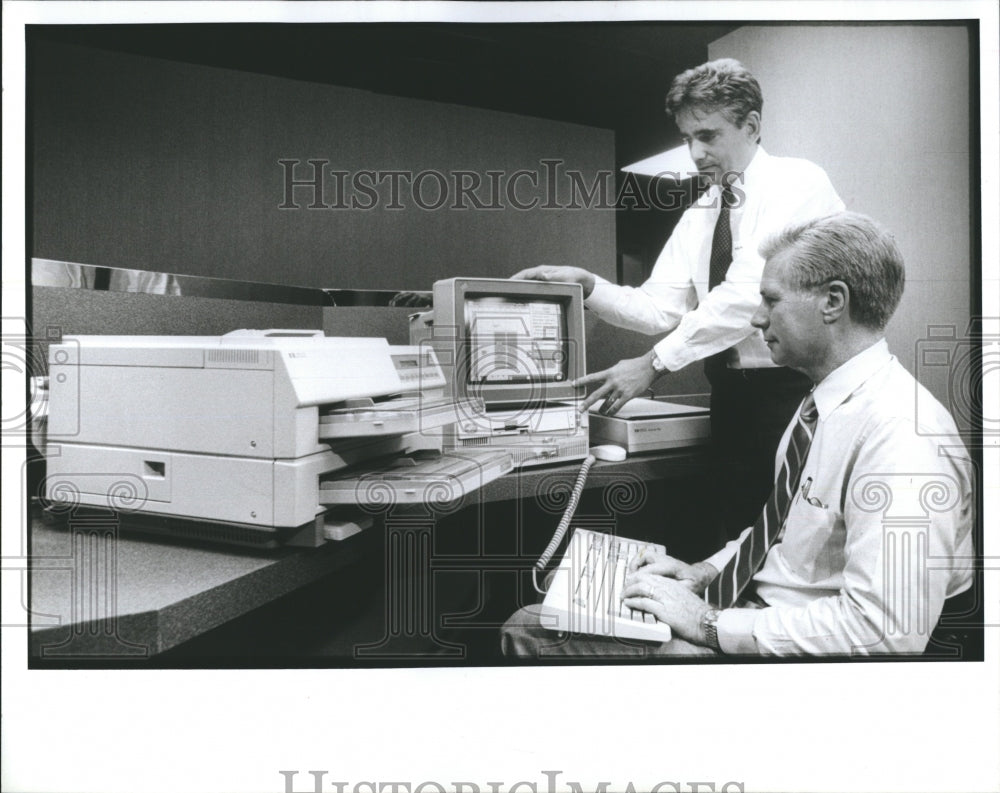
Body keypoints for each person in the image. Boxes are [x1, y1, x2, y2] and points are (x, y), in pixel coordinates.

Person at [502, 212, 975, 657]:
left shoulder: (900, 436)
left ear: (833, 302)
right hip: (763, 611)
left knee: (527, 630)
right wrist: (705, 571)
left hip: (796, 645)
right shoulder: (822, 405)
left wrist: (708, 623)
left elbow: (886, 633)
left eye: (771, 299)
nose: (756, 319)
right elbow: (785, 533)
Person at [514, 59, 845, 540]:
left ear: (751, 126)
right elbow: (657, 309)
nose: (694, 153)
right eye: (687, 138)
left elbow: (747, 294)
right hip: (733, 399)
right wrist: (589, 284)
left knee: (798, 542)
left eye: (707, 136)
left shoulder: (798, 183)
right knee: (737, 534)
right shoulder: (701, 213)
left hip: (797, 393)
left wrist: (652, 364)